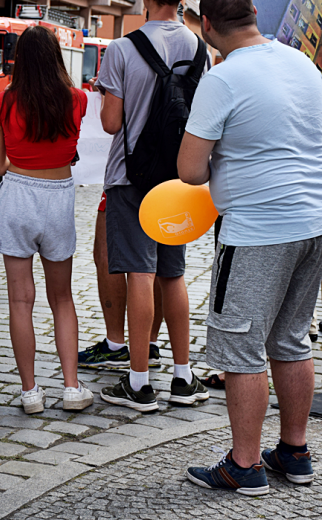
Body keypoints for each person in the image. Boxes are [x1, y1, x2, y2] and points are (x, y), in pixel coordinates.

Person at [182, 0, 322, 493]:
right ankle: (294, 452)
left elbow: (190, 171)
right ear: (254, 14)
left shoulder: (222, 78)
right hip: (313, 221)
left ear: (206, 24)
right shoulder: (299, 61)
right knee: (291, 338)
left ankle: (244, 466)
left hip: (259, 228)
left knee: (240, 346)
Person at [94, 0, 210, 412]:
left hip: (131, 176)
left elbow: (110, 123)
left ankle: (139, 383)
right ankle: (182, 376)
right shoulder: (199, 48)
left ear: (145, 2)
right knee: (173, 274)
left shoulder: (122, 49)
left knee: (140, 274)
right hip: (178, 178)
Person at [0, 26, 93, 414]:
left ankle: (30, 392)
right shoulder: (77, 99)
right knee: (62, 298)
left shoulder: (2, 103)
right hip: (58, 198)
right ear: (56, 57)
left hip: (16, 193)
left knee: (20, 299)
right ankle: (71, 387)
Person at [79, 189, 165, 369]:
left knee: (108, 254)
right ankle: (149, 345)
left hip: (126, 182)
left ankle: (115, 345)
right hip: (167, 183)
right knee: (156, 260)